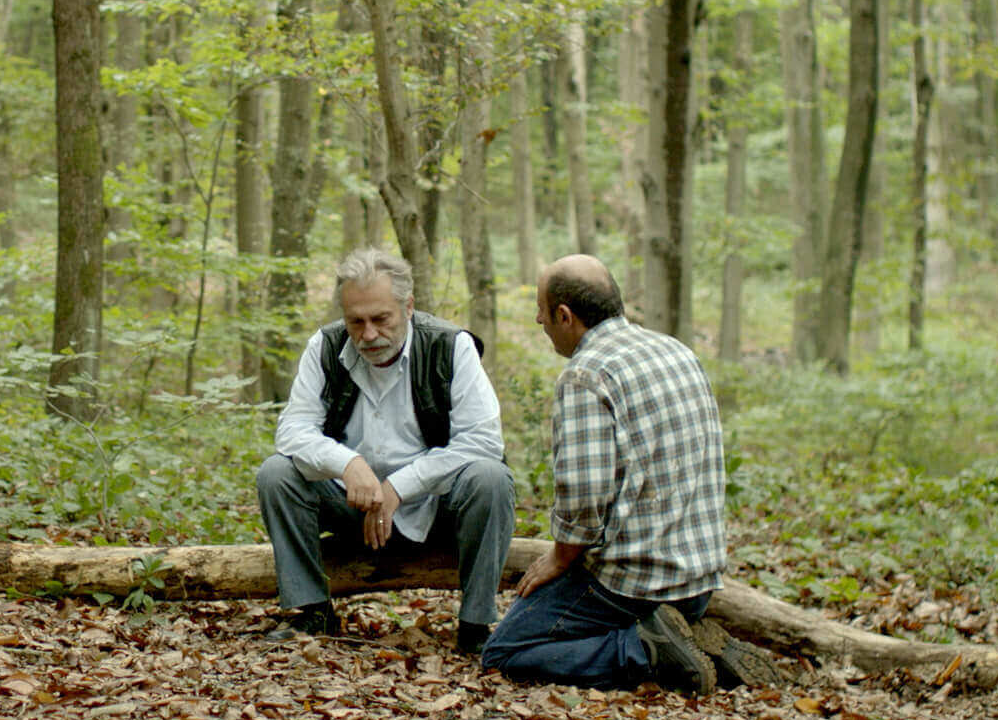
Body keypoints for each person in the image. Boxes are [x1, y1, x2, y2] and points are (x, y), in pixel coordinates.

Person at [480, 254, 727, 694]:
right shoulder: (677, 351)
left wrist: (560, 556)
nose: (538, 319)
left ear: (564, 315)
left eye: (542, 312)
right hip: (700, 577)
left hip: (635, 587)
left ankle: (647, 652)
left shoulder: (585, 374)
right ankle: (688, 639)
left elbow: (584, 498)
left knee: (504, 652)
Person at [256, 248, 516, 655]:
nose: (368, 334)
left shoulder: (451, 346)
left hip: (434, 507)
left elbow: (483, 440)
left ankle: (476, 625)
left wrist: (398, 486)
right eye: (355, 321)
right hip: (352, 506)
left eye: (381, 319)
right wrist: (348, 463)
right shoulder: (325, 347)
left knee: (490, 477)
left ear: (408, 307)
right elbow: (292, 430)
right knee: (276, 473)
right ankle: (312, 611)